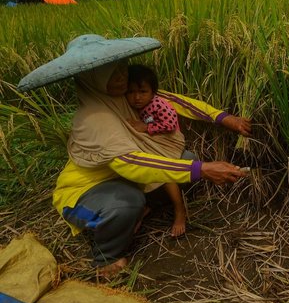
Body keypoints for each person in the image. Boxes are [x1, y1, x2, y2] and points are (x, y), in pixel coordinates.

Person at [51, 44, 252, 278]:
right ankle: (106, 257)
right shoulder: (95, 118)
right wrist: (202, 170)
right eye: (110, 73)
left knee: (187, 159)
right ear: (92, 78)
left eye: (121, 68)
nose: (121, 77)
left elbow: (179, 102)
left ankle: (139, 211)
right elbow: (131, 163)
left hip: (127, 179)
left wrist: (225, 118)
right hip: (84, 193)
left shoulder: (124, 95)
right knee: (127, 203)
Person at [125, 64, 214, 237]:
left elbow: (169, 125)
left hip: (166, 144)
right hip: (150, 146)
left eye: (142, 92)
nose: (136, 97)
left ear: (153, 92)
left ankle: (179, 210)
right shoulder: (129, 106)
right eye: (131, 92)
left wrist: (146, 128)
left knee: (165, 170)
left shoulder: (159, 105)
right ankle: (150, 204)